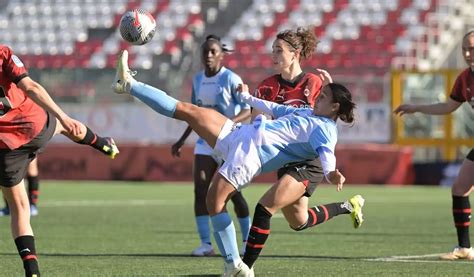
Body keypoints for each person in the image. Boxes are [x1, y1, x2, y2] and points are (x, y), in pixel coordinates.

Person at [112, 49, 361, 276]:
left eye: (324, 97)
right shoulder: (308, 113)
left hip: (251, 153)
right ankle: (129, 84)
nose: (318, 98)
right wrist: (248, 98)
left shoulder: (326, 129)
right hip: (239, 134)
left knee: (215, 201)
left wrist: (332, 174)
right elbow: (274, 107)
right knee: (190, 111)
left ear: (335, 107)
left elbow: (327, 154)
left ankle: (236, 265)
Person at [240, 27, 364, 271]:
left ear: (295, 53)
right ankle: (347, 206)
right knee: (299, 221)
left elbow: (327, 123)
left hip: (308, 161)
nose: (273, 55)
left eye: (279, 50)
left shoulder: (313, 82)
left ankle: (244, 267)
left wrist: (331, 170)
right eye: (272, 50)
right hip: (285, 158)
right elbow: (256, 119)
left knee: (265, 207)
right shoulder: (266, 85)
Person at [0, 44, 119, 277]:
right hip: (33, 126)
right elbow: (31, 87)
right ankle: (103, 144)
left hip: (6, 149)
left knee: (20, 210)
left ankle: (32, 271)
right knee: (65, 126)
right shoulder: (2, 54)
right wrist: (62, 115)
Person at [394, 30, 474, 261]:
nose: (468, 53)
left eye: (472, 48)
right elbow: (448, 107)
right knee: (459, 188)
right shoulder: (464, 79)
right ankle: (464, 248)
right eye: (465, 49)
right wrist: (416, 108)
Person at [171, 35, 252, 257]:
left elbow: (249, 110)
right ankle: (206, 244)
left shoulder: (231, 78)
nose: (208, 56)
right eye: (205, 52)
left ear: (222, 55)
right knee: (200, 190)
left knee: (233, 194)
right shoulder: (197, 80)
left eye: (213, 52)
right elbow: (195, 114)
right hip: (204, 143)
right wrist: (181, 140)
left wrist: (229, 123)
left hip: (228, 142)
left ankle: (247, 240)